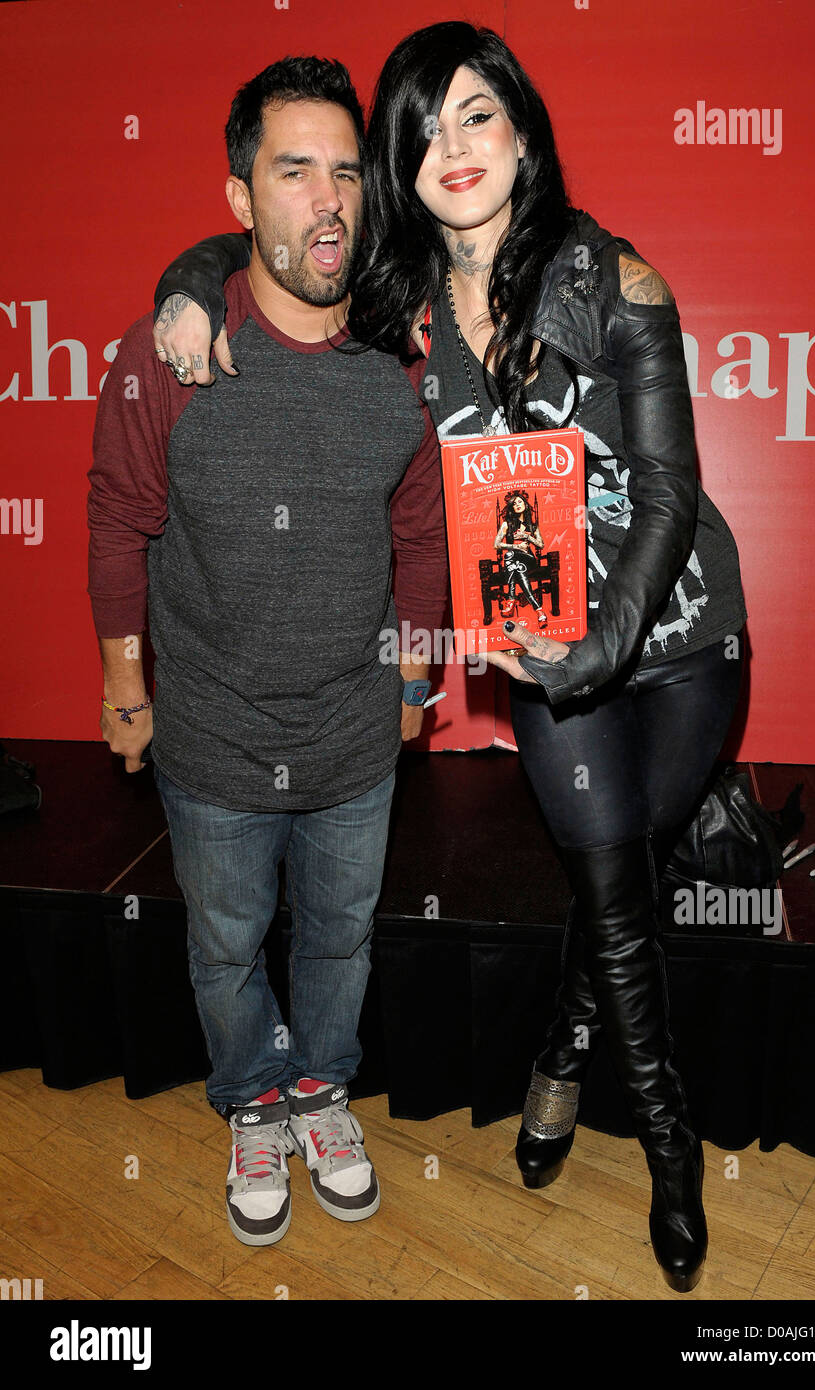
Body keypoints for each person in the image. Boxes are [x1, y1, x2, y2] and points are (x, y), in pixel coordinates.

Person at [149, 23, 748, 1293]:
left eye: (478, 115)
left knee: (615, 880)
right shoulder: (399, 285)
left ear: (522, 131)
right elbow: (269, 243)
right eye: (422, 128)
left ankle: (567, 1060)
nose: (452, 148)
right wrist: (186, 282)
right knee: (614, 886)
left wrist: (599, 654)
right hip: (538, 655)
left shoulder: (616, 282)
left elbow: (667, 497)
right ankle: (671, 1145)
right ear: (395, 163)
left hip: (679, 635)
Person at [87, 55, 448, 1248]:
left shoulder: (402, 356)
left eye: (344, 170)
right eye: (292, 171)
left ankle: (321, 1088)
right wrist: (123, 680)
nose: (327, 199)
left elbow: (419, 527)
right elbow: (117, 517)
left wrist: (413, 674)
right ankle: (251, 1096)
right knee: (226, 942)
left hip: (353, 732)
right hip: (212, 736)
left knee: (342, 935)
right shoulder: (170, 353)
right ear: (239, 197)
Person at [494, 490, 546, 625]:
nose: (517, 505)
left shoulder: (532, 526)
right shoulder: (506, 524)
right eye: (514, 503)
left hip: (529, 558)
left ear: (525, 505)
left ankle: (510, 600)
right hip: (516, 561)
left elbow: (541, 544)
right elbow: (496, 544)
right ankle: (539, 611)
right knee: (517, 566)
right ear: (511, 508)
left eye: (520, 502)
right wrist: (517, 547)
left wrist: (527, 537)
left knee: (510, 556)